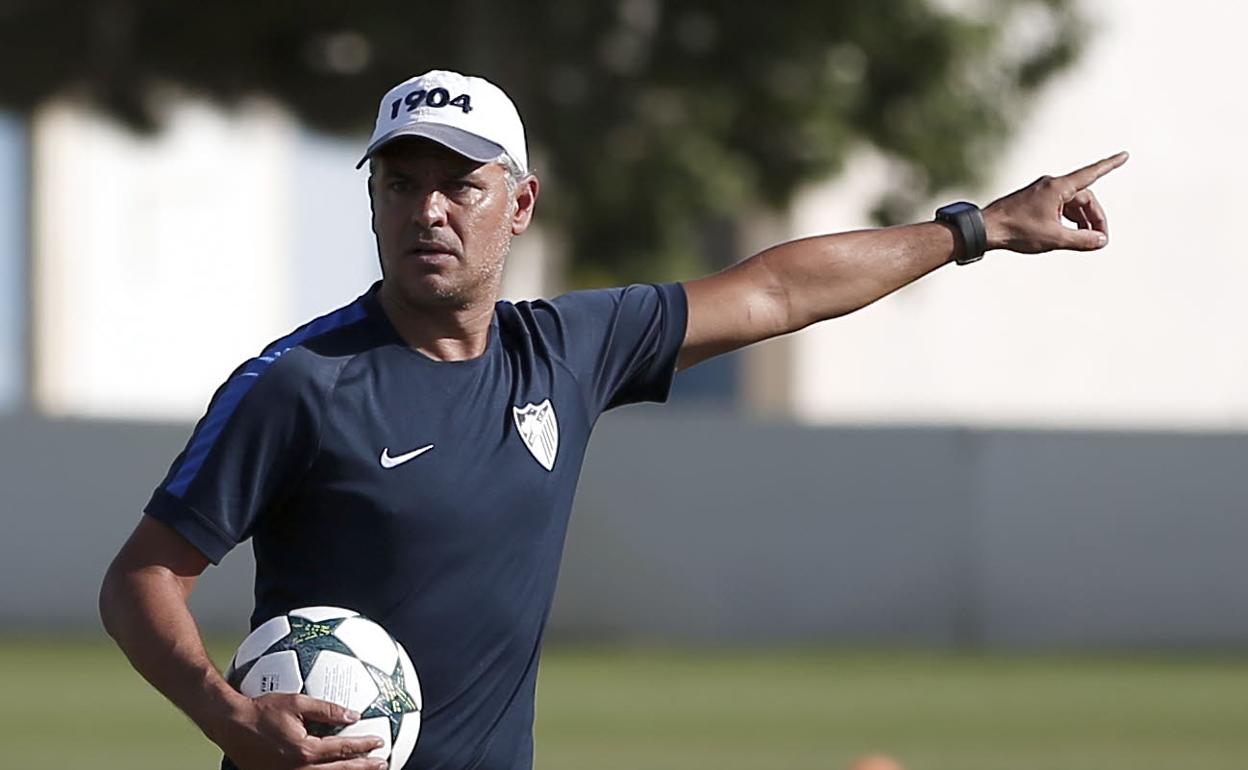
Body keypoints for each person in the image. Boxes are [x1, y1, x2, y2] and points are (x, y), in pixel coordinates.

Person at [98, 69, 1127, 770]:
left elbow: (777, 289)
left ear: (522, 201)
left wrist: (977, 226)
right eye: (401, 184)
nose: (429, 211)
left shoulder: (567, 350)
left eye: (462, 183)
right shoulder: (300, 382)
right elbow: (142, 576)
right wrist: (227, 713)